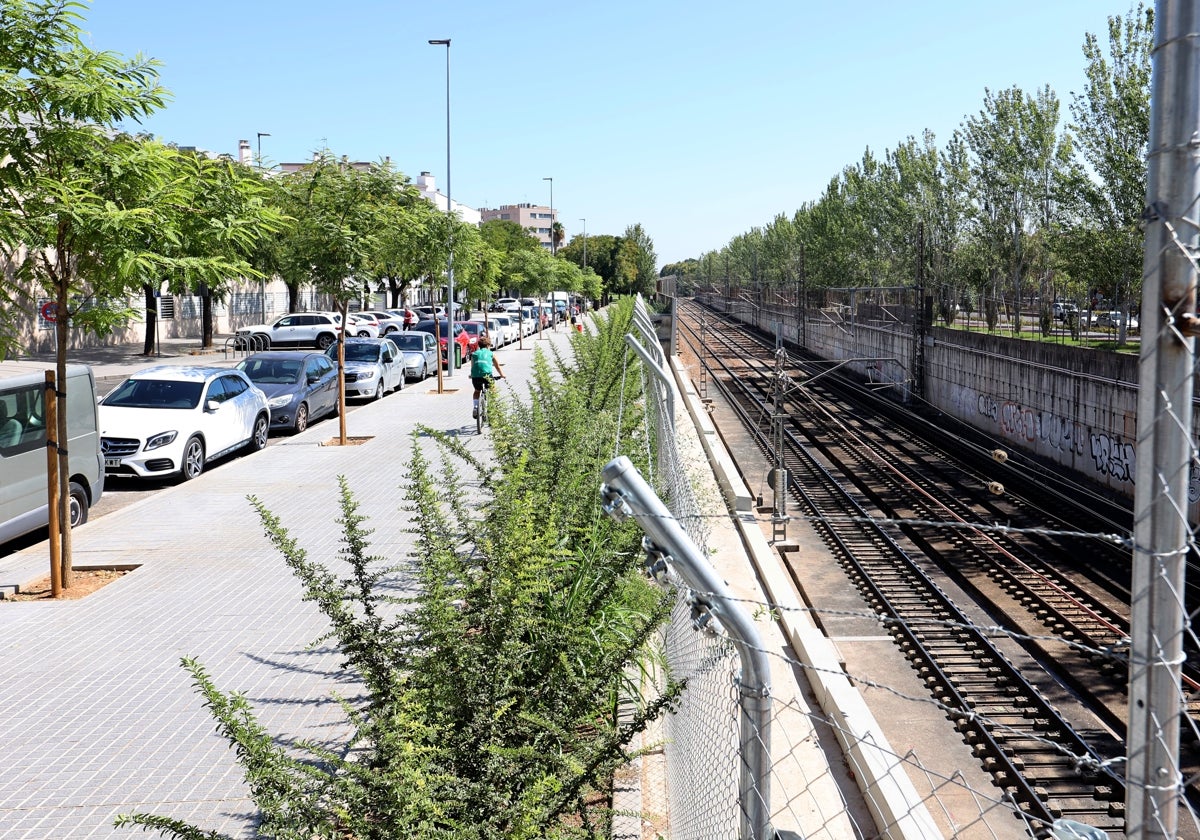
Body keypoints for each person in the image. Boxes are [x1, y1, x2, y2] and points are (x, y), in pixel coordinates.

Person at [470, 335, 504, 418]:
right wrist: (502, 375)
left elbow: (473, 366)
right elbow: (497, 367)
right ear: (488, 345)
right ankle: (493, 408)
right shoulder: (491, 354)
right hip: (487, 375)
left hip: (476, 376)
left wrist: (471, 375)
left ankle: (475, 406)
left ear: (479, 345)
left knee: (477, 391)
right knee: (493, 390)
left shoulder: (474, 354)